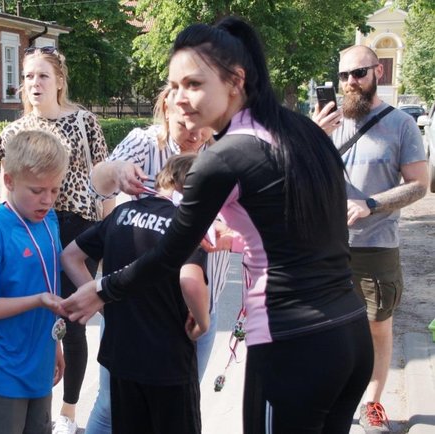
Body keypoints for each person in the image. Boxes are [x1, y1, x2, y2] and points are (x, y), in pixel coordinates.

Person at [63, 17, 375, 434]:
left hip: (292, 345)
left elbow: (169, 256)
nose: (179, 99)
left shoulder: (223, 157)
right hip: (350, 335)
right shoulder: (301, 131)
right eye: (173, 86)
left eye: (193, 84)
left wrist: (101, 289)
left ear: (235, 81)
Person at [85, 86, 231, 434]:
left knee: (175, 409)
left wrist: (230, 229)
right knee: (111, 407)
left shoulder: (224, 153)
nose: (195, 133)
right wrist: (117, 170)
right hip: (138, 311)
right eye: (185, 121)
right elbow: (97, 182)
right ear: (167, 106)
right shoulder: (145, 142)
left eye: (203, 122)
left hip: (196, 312)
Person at [0, 45, 110, 434]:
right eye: (28, 76)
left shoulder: (84, 122)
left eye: (43, 75)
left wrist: (109, 236)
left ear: (59, 80)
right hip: (34, 229)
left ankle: (68, 412)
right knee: (35, 316)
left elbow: (103, 182)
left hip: (79, 229)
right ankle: (33, 401)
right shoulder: (13, 132)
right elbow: (5, 192)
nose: (34, 83)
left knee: (72, 318)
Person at [313, 45, 428, 433]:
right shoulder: (327, 123)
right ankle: (332, 397)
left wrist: (371, 204)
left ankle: (373, 404)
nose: (350, 82)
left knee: (377, 326)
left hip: (376, 246)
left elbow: (419, 185)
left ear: (377, 71)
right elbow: (298, 175)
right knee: (327, 327)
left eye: (359, 73)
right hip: (326, 246)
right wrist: (315, 136)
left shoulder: (401, 125)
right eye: (344, 75)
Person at [62, 154, 209, 434]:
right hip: (168, 362)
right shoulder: (186, 223)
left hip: (122, 356)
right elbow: (190, 281)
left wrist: (104, 304)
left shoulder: (121, 214)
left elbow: (70, 256)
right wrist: (203, 321)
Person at [0, 130, 69, 434]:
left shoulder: (48, 220)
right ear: (9, 181)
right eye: (37, 190)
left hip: (39, 364)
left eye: (54, 189)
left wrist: (56, 344)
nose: (47, 199)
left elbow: (48, 280)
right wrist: (36, 301)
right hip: (0, 371)